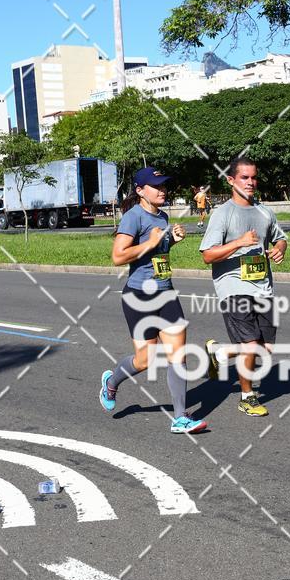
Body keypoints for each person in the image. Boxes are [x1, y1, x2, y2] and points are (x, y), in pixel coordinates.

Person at [99, 166, 208, 434]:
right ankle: (111, 383)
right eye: (156, 186)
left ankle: (180, 417)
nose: (162, 190)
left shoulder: (162, 216)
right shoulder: (133, 217)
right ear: (140, 191)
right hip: (140, 296)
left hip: (166, 292)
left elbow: (157, 252)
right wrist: (150, 242)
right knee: (145, 360)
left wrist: (172, 241)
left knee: (177, 354)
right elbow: (118, 256)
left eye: (164, 185)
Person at [200, 158, 287, 417]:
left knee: (265, 348)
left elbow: (281, 238)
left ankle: (219, 352)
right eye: (244, 178)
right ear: (231, 180)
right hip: (233, 288)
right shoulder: (222, 214)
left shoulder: (264, 212)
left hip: (263, 287)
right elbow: (208, 255)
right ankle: (247, 397)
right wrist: (238, 242)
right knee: (250, 345)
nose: (250, 182)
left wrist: (279, 249)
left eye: (253, 177)